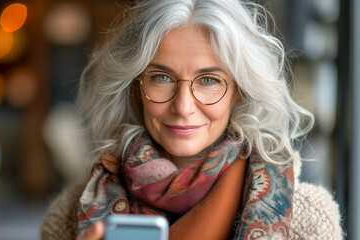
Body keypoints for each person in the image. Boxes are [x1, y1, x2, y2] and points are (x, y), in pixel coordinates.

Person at [41, 0, 343, 239]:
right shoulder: (70, 213)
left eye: (209, 80)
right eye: (161, 77)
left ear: (240, 91)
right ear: (135, 87)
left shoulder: (306, 217)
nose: (183, 106)